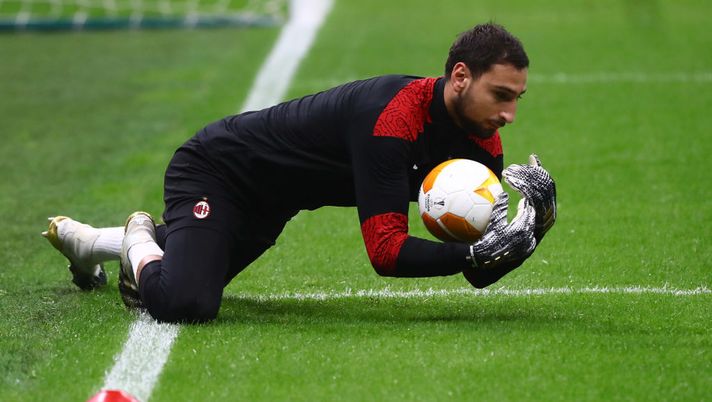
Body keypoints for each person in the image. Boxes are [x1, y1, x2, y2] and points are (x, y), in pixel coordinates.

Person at [43, 22, 556, 323]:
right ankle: (137, 237)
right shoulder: (394, 118)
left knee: (191, 269)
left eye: (517, 99)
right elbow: (386, 252)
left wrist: (530, 232)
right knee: (187, 300)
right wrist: (474, 250)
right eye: (502, 95)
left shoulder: (481, 140)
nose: (509, 113)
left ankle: (86, 242)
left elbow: (476, 269)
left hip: (269, 204)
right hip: (219, 169)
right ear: (461, 77)